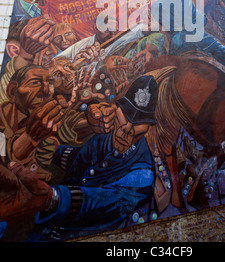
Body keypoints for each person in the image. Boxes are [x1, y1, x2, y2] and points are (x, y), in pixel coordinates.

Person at [28, 75, 158, 240]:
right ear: (116, 109)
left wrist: (52, 197)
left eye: (138, 122)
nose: (127, 129)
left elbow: (102, 200)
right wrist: (57, 151)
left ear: (148, 128)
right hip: (44, 230)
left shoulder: (143, 174)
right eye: (126, 114)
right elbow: (88, 160)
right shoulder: (105, 136)